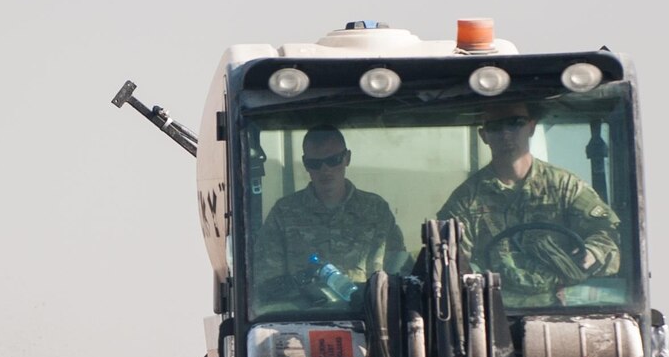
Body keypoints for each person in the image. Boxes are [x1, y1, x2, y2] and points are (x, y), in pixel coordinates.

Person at [437, 102, 622, 307]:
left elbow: (606, 234)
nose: (506, 134)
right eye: (495, 127)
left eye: (515, 123)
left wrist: (592, 253)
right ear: (484, 135)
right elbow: (449, 260)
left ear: (531, 127)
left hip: (562, 309)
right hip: (494, 312)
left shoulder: (565, 186)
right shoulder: (466, 199)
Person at [250, 127, 408, 308]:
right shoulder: (284, 214)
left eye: (333, 160)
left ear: (347, 158)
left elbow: (397, 274)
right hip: (303, 322)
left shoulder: (376, 210)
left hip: (368, 319)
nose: (325, 170)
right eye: (315, 163)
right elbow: (267, 284)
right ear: (305, 163)